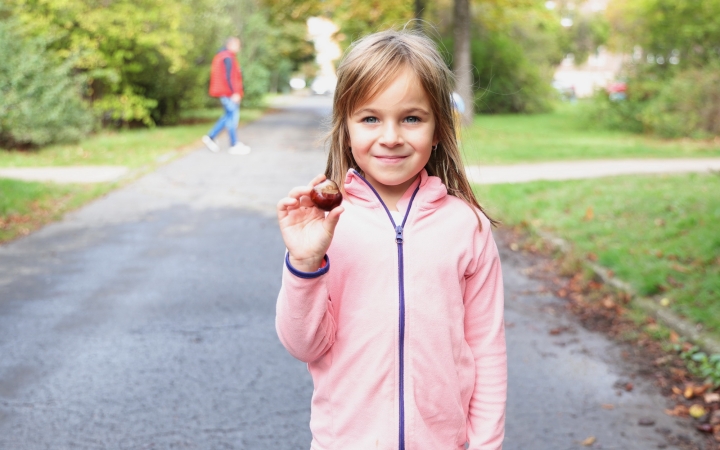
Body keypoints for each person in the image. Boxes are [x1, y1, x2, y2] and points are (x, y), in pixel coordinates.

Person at [275, 29, 506, 449]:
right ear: (345, 128)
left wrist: (485, 444)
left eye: (411, 118)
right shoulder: (328, 228)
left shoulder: (467, 228)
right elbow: (304, 345)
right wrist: (306, 264)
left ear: (438, 129)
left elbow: (486, 350)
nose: (391, 136)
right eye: (370, 118)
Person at [202, 37, 251, 155]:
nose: (239, 48)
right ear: (231, 45)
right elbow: (229, 77)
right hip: (228, 93)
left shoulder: (222, 56)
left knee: (228, 116)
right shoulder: (227, 57)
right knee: (232, 118)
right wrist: (235, 92)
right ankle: (233, 144)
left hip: (225, 92)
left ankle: (211, 137)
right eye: (237, 45)